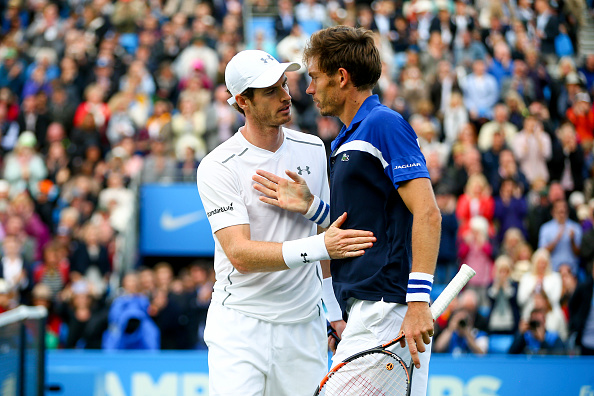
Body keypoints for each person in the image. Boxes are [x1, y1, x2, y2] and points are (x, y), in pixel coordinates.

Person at [253, 27, 441, 396]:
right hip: (369, 309)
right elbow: (357, 226)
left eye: (314, 78)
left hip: (387, 308)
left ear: (341, 78)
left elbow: (428, 213)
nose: (307, 89)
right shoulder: (347, 138)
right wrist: (312, 207)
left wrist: (418, 302)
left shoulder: (383, 125)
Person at [196, 49, 376, 396]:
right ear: (242, 102)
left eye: (284, 84)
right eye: (270, 91)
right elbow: (241, 255)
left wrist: (333, 311)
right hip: (240, 326)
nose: (286, 95)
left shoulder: (312, 148)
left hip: (304, 326)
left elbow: (325, 231)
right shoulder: (218, 165)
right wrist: (320, 245)